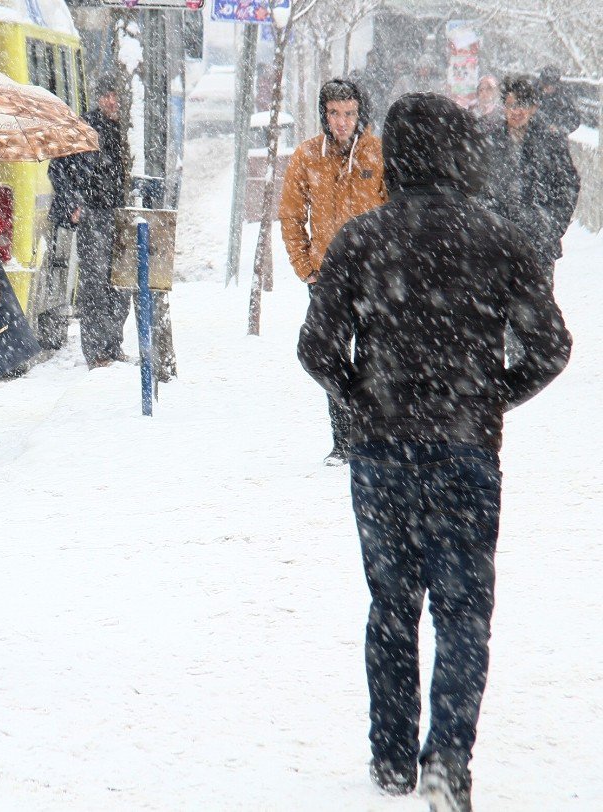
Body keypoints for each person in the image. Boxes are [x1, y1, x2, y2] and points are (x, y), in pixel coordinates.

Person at [298, 93, 572, 812]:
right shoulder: (499, 240)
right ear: (462, 153)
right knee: (464, 610)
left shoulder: (361, 240)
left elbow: (316, 348)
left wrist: (359, 399)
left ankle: (391, 757)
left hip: (383, 451)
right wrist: (490, 397)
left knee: (392, 603)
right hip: (466, 452)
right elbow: (551, 346)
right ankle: (449, 756)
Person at [278, 78, 387, 465]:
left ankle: (370, 435)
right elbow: (290, 215)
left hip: (374, 277)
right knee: (330, 355)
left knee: (374, 358)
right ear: (325, 115)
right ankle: (342, 441)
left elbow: (393, 212)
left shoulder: (377, 154)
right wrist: (306, 268)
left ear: (361, 114)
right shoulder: (308, 156)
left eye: (350, 113)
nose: (342, 122)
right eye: (335, 113)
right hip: (327, 277)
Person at [48, 73, 132, 370]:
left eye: (116, 95)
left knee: (121, 284)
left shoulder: (127, 129)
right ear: (98, 98)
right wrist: (73, 203)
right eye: (107, 95)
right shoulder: (83, 128)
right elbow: (57, 168)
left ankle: (112, 344)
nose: (112, 101)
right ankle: (96, 351)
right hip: (94, 214)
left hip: (121, 215)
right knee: (95, 285)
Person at [479, 74, 580, 287]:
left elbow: (568, 185)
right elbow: (479, 187)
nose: (517, 111)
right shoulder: (489, 142)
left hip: (539, 243)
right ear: (504, 107)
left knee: (538, 307)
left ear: (533, 108)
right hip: (498, 243)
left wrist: (551, 226)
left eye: (523, 104)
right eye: (511, 104)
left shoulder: (550, 142)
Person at [537, 65, 580, 135]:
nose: (549, 88)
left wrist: (559, 129)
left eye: (552, 85)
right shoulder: (533, 94)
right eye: (546, 85)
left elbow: (574, 120)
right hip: (534, 139)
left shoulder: (564, 97)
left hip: (556, 140)